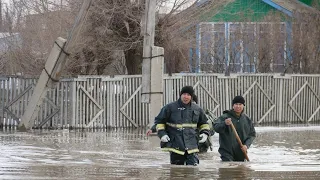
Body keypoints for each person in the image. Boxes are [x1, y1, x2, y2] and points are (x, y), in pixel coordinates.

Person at [154, 86, 210, 165]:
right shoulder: (169, 107)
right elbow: (159, 121)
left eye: (188, 95)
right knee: (177, 171)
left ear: (191, 96)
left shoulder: (197, 109)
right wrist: (162, 134)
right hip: (176, 145)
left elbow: (204, 123)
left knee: (193, 170)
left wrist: (205, 133)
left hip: (192, 146)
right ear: (180, 95)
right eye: (184, 94)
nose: (186, 97)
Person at [213, 95, 256, 161]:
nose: (238, 106)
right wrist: (224, 123)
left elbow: (252, 135)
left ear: (243, 105)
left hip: (241, 153)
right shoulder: (225, 117)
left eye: (240, 104)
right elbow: (216, 127)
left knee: (240, 169)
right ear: (233, 105)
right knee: (229, 169)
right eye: (236, 104)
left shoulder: (247, 120)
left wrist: (246, 145)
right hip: (227, 152)